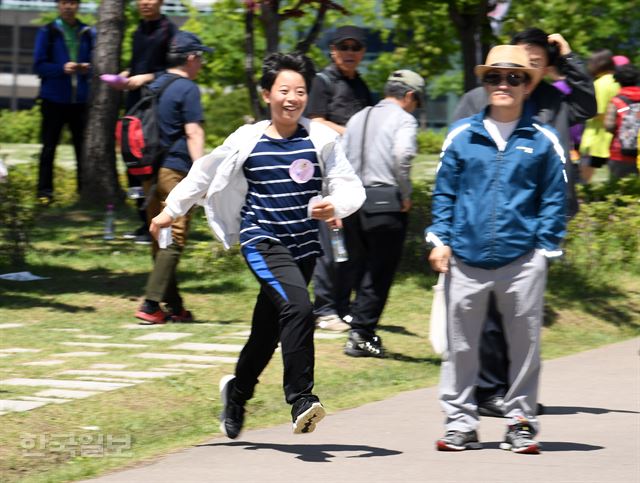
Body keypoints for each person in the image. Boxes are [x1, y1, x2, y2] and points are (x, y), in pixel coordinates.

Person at [149, 52, 365, 438]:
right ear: (267, 94)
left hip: (303, 248)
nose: (292, 98)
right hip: (261, 240)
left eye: (300, 91)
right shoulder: (247, 139)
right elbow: (204, 173)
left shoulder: (320, 138)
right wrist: (172, 210)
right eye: (284, 90)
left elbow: (348, 184)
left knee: (266, 333)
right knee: (299, 308)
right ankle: (301, 398)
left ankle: (237, 392)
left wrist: (337, 203)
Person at [427, 45, 567, 454]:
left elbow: (554, 197)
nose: (503, 85)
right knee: (461, 349)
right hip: (465, 260)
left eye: (514, 78)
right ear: (484, 83)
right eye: (494, 77)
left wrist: (544, 249)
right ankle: (460, 424)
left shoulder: (543, 140)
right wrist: (441, 239)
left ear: (528, 85)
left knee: (524, 347)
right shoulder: (462, 135)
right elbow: (444, 192)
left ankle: (520, 421)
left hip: (523, 260)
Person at [452, 28, 595, 418]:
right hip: (486, 224)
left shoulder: (554, 101)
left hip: (539, 220)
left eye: (533, 63)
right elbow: (456, 165)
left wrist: (568, 57)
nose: (519, 73)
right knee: (491, 313)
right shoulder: (476, 101)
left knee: (522, 315)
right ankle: (488, 392)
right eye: (514, 64)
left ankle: (512, 394)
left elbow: (588, 103)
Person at [338, 69, 423, 357]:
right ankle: (362, 334)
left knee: (360, 267)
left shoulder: (358, 117)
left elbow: (341, 158)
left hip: (353, 202)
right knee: (379, 271)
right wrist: (406, 192)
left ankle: (355, 323)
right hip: (385, 202)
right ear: (410, 96)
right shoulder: (404, 119)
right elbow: (402, 155)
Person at [134, 31, 210, 325]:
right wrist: (201, 172)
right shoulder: (188, 88)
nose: (201, 62)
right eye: (200, 57)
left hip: (150, 172)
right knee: (175, 236)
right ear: (191, 58)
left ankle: (174, 306)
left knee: (160, 237)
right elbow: (193, 131)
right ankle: (151, 304)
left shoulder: (155, 85)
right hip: (175, 171)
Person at [306, 25, 374, 332]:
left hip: (353, 175)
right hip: (325, 174)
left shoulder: (360, 85)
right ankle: (324, 309)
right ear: (333, 51)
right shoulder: (322, 82)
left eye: (355, 48)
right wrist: (353, 134)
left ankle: (343, 305)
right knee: (330, 244)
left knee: (352, 247)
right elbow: (315, 121)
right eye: (343, 47)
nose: (349, 53)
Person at [120, 0, 178, 244]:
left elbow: (175, 70)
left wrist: (146, 77)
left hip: (156, 107)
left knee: (152, 164)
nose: (145, 3)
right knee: (133, 164)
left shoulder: (170, 30)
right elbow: (139, 65)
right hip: (135, 104)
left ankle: (159, 223)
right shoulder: (136, 32)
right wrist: (127, 73)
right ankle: (144, 222)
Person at [33, 0, 94, 204]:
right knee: (49, 147)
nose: (69, 6)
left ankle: (83, 192)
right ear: (58, 5)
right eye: (64, 2)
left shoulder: (87, 32)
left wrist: (87, 68)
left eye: (73, 2)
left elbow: (98, 64)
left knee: (82, 149)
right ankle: (44, 193)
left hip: (80, 101)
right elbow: (38, 66)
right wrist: (61, 68)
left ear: (78, 5)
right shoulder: (47, 31)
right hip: (54, 99)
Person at [579, 50, 620, 183]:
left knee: (585, 181)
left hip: (596, 139)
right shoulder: (618, 82)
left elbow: (598, 112)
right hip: (615, 139)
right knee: (614, 180)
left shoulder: (600, 84)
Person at [604, 64, 640, 180]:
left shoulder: (616, 101)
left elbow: (608, 125)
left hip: (620, 153)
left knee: (619, 190)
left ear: (618, 81)